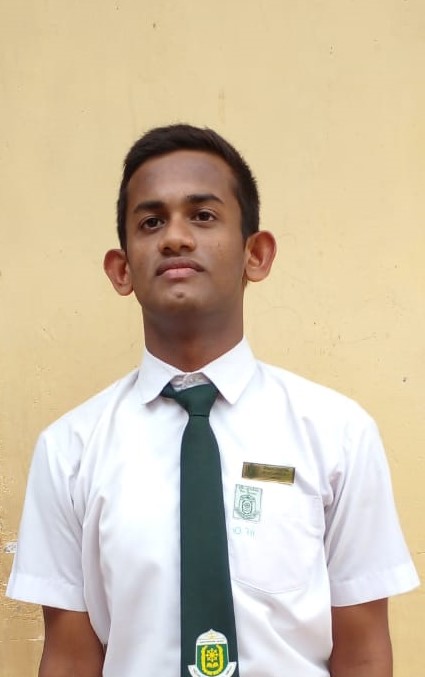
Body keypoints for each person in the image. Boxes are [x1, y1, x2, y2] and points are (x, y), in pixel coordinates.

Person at [7, 124, 419, 677]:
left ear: (257, 255)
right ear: (122, 269)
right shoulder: (69, 451)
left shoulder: (337, 434)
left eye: (202, 216)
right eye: (151, 222)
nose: (175, 238)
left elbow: (363, 649)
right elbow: (70, 656)